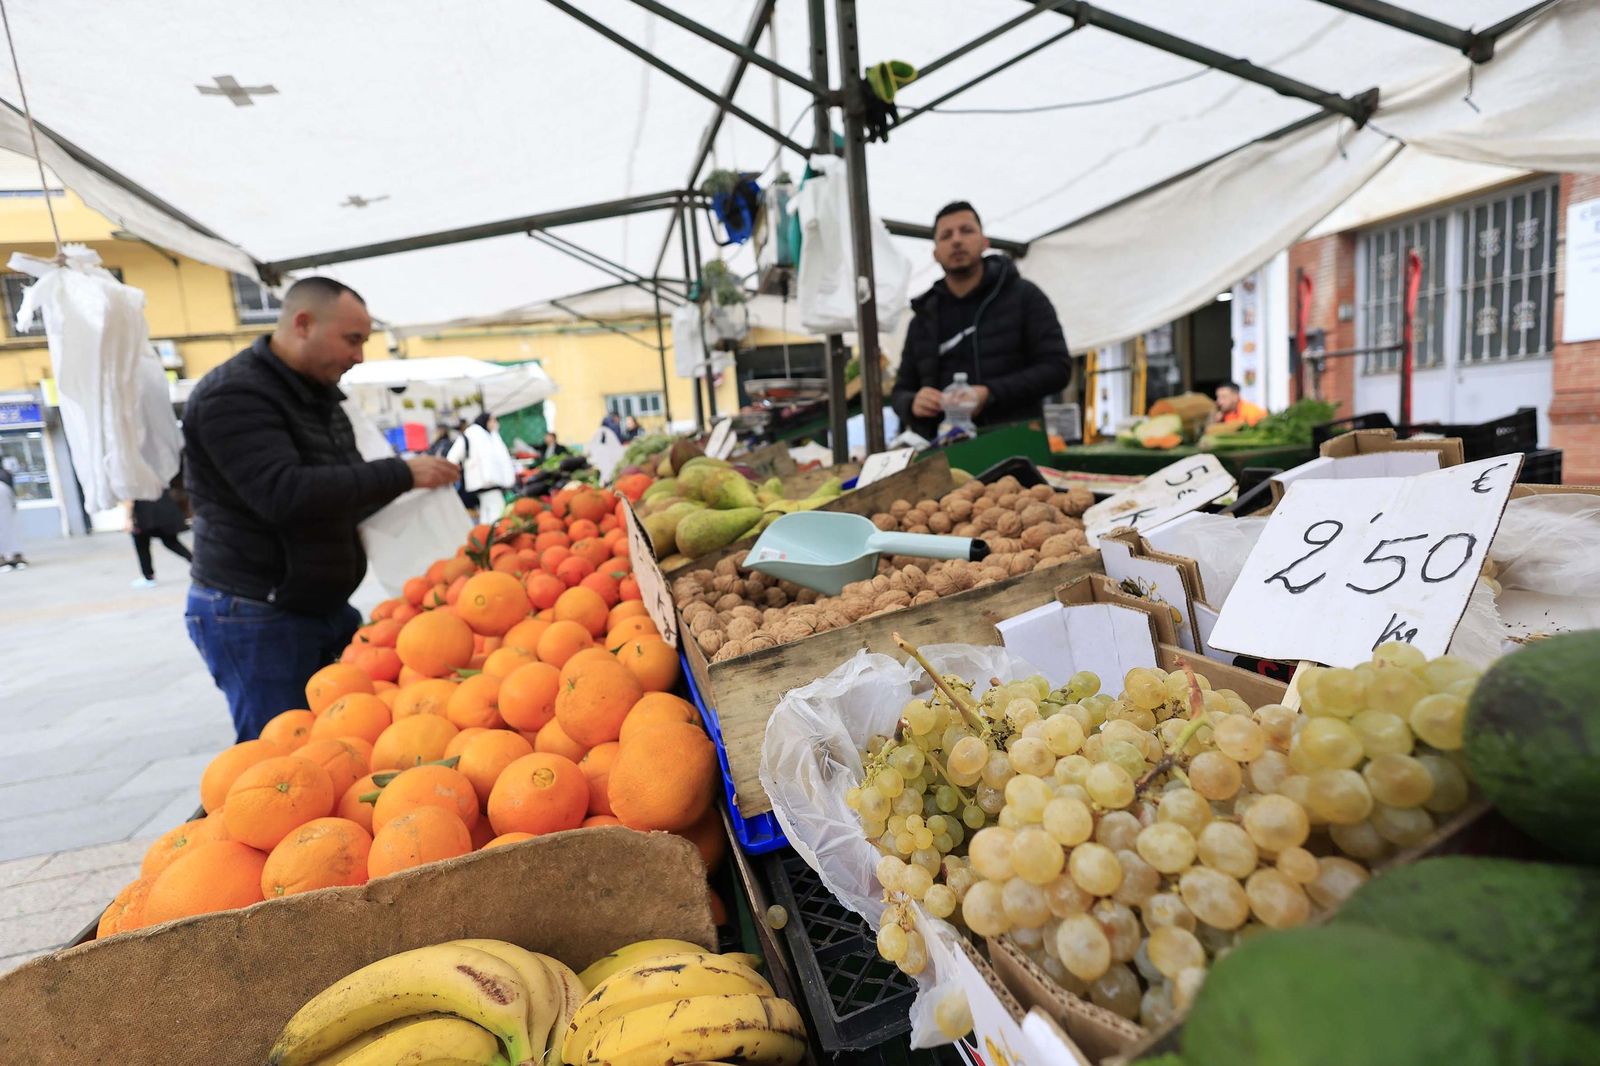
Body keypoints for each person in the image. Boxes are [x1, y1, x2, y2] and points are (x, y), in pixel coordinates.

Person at [182, 277, 459, 741]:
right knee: (282, 756)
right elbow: (282, 494)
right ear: (303, 324)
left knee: (340, 741)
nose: (359, 356)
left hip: (318, 606)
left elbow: (344, 486)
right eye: (352, 340)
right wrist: (402, 473)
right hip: (257, 613)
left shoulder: (319, 395)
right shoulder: (233, 396)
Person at [891, 201, 1073, 440]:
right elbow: (901, 390)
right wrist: (912, 402)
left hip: (1015, 440)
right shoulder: (923, 317)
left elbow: (1057, 368)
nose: (956, 240)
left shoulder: (1025, 297)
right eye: (946, 235)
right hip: (943, 449)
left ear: (984, 242)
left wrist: (990, 393)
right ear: (935, 253)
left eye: (966, 231)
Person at [448, 412, 517, 522]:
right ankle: (494, 536)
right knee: (497, 512)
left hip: (489, 483)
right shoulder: (470, 435)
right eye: (492, 420)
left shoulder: (490, 437)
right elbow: (452, 458)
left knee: (487, 513)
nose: (495, 423)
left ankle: (488, 536)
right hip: (483, 482)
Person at [125, 486, 192, 588]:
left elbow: (129, 496)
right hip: (163, 506)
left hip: (143, 511)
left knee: (141, 543)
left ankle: (148, 576)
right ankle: (199, 565)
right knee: (171, 542)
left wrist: (128, 518)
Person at [0, 462, 24, 572]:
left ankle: (10, 558)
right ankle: (14, 558)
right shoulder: (6, 474)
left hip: (6, 507)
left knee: (10, 533)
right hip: (7, 507)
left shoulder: (5, 474)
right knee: (11, 533)